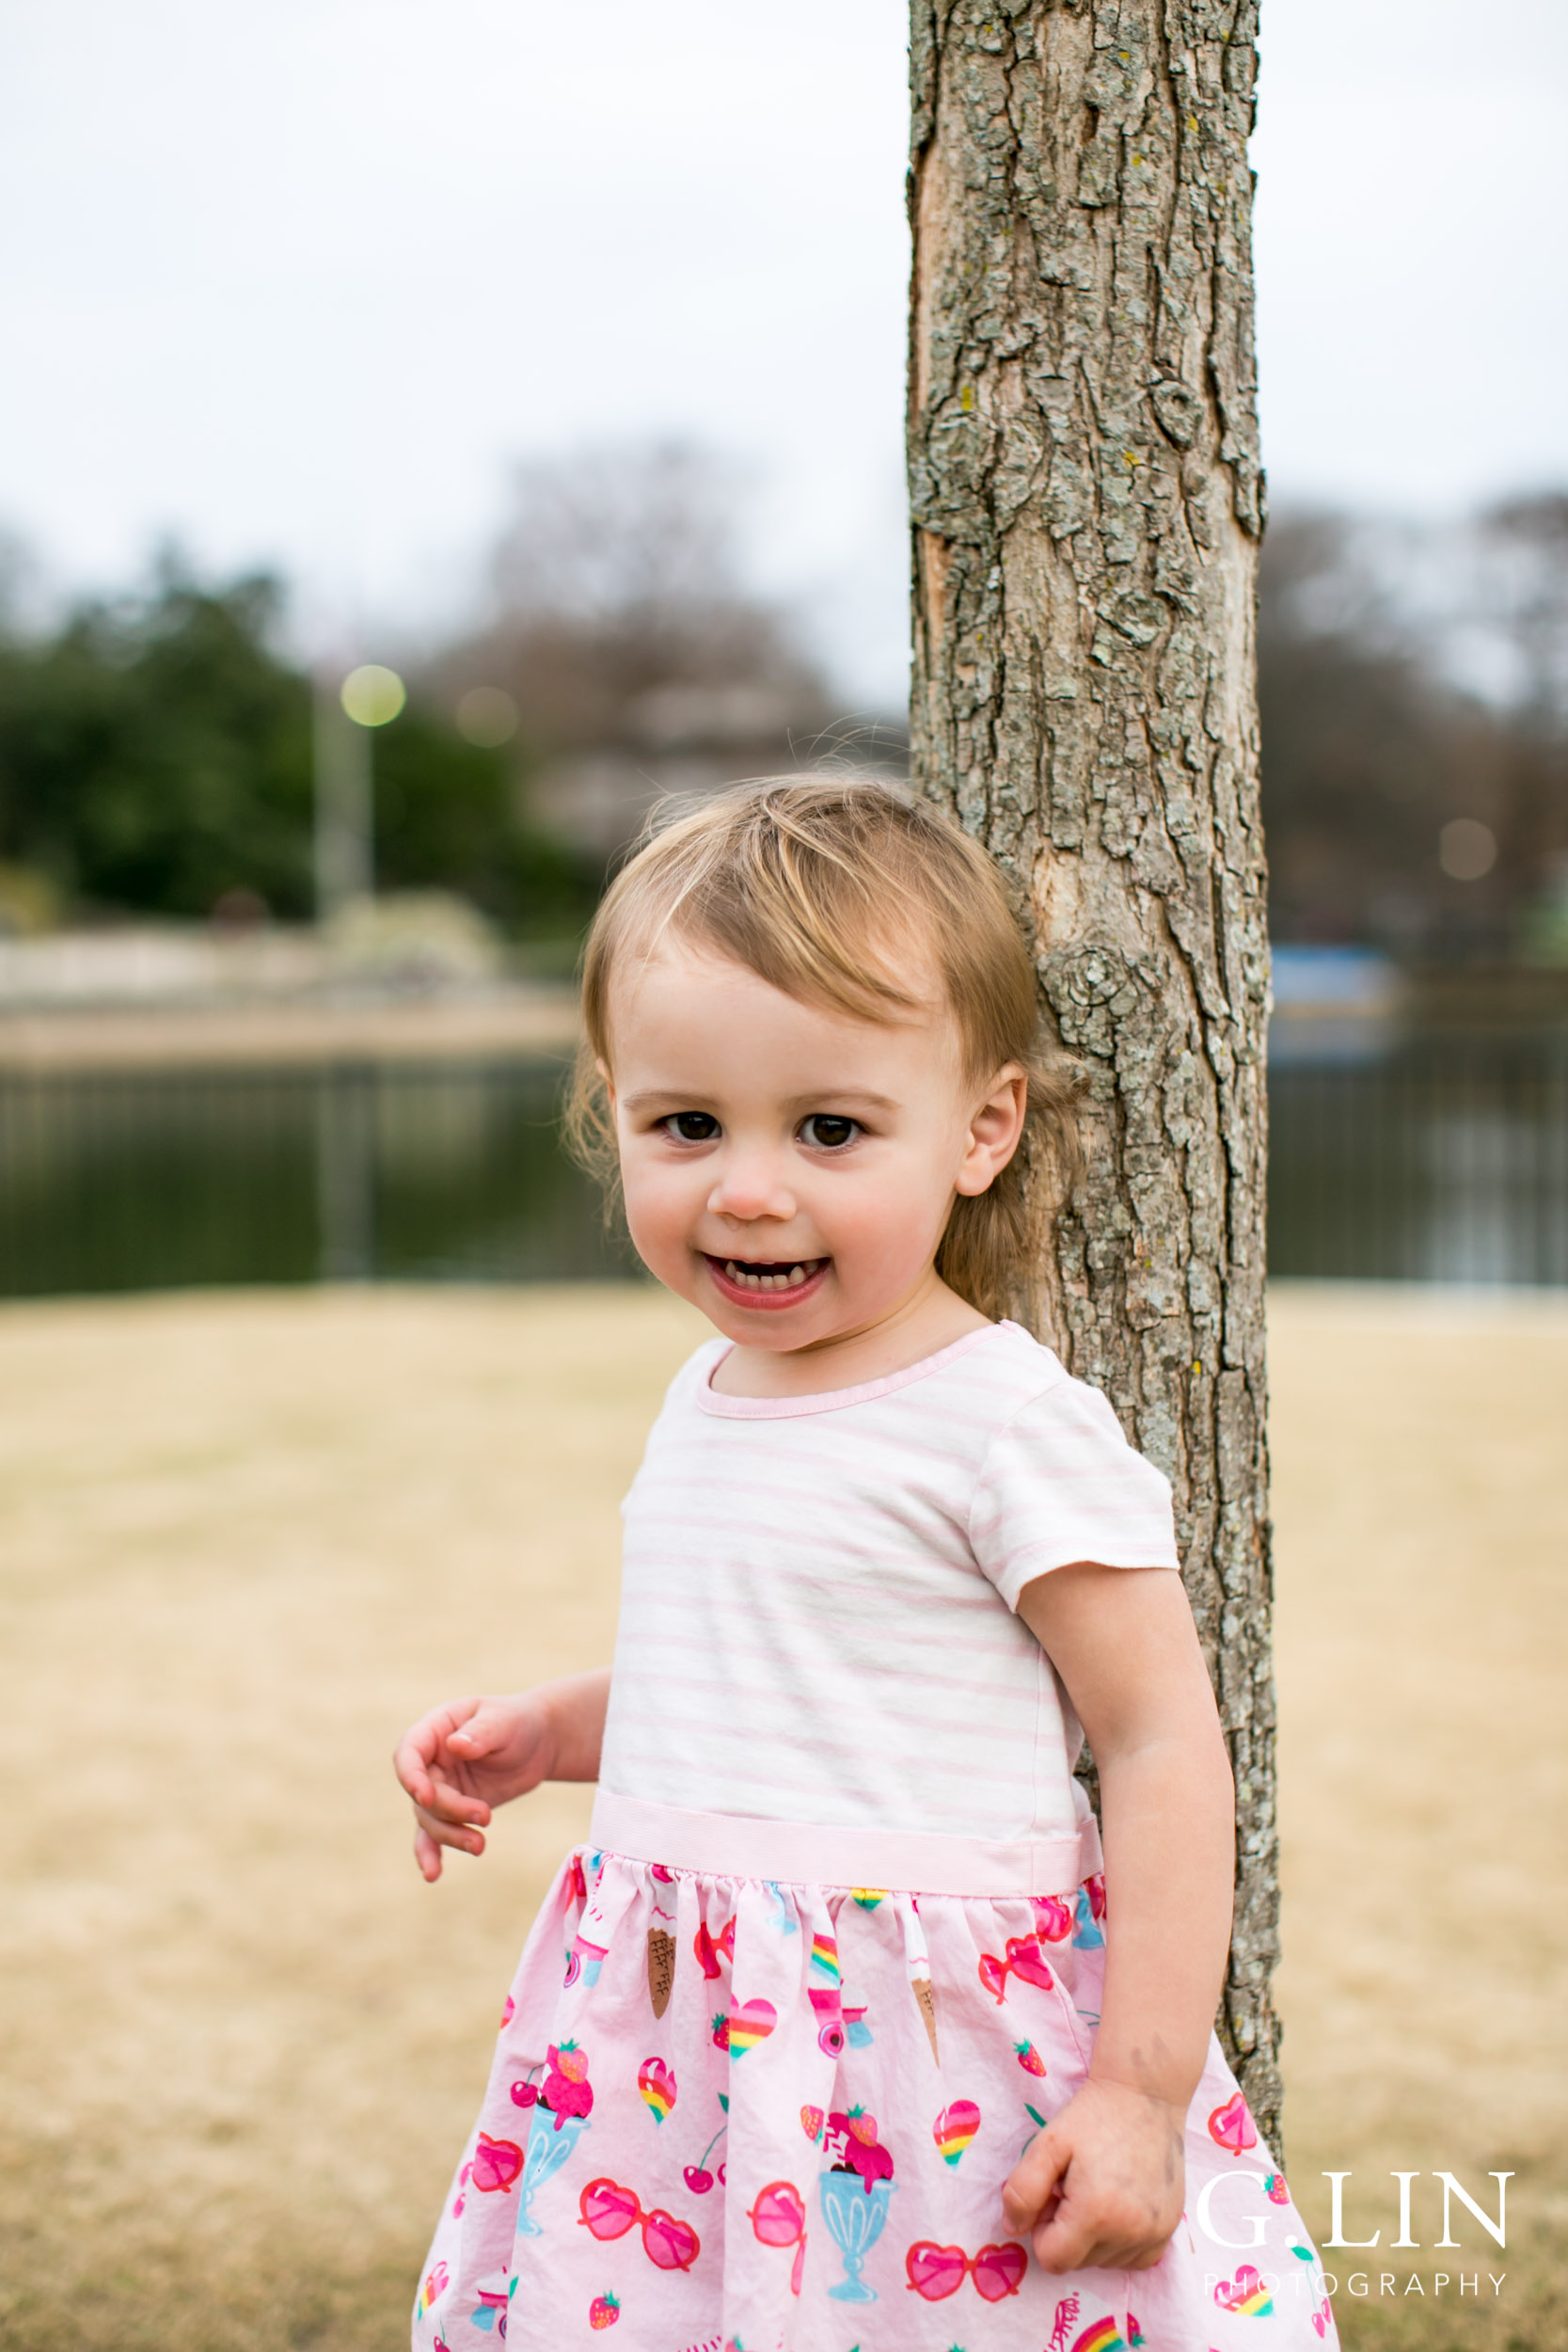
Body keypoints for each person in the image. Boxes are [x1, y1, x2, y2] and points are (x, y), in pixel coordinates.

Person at [395, 779, 1336, 2351]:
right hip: (677, 2059)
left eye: (829, 1129)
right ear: (612, 1112)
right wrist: (552, 1735)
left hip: (918, 2065)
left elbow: (1161, 1739)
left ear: (983, 1130)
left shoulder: (1000, 1419)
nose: (749, 1187)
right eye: (686, 1125)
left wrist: (1138, 2089)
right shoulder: (703, 1399)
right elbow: (771, 1686)